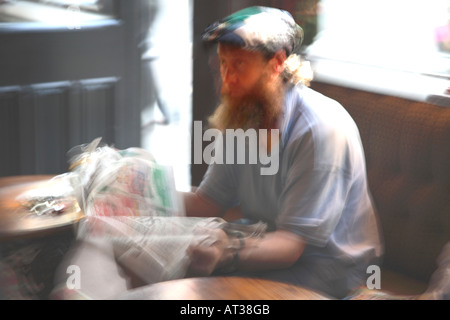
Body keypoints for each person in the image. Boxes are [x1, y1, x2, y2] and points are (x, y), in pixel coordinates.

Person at [183, 6, 383, 299]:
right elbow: (206, 202)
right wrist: (139, 197)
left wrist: (227, 251)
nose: (227, 80)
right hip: (271, 251)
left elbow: (291, 245)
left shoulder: (319, 129)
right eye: (223, 64)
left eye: (239, 65)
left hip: (333, 272)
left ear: (276, 63)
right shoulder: (243, 117)